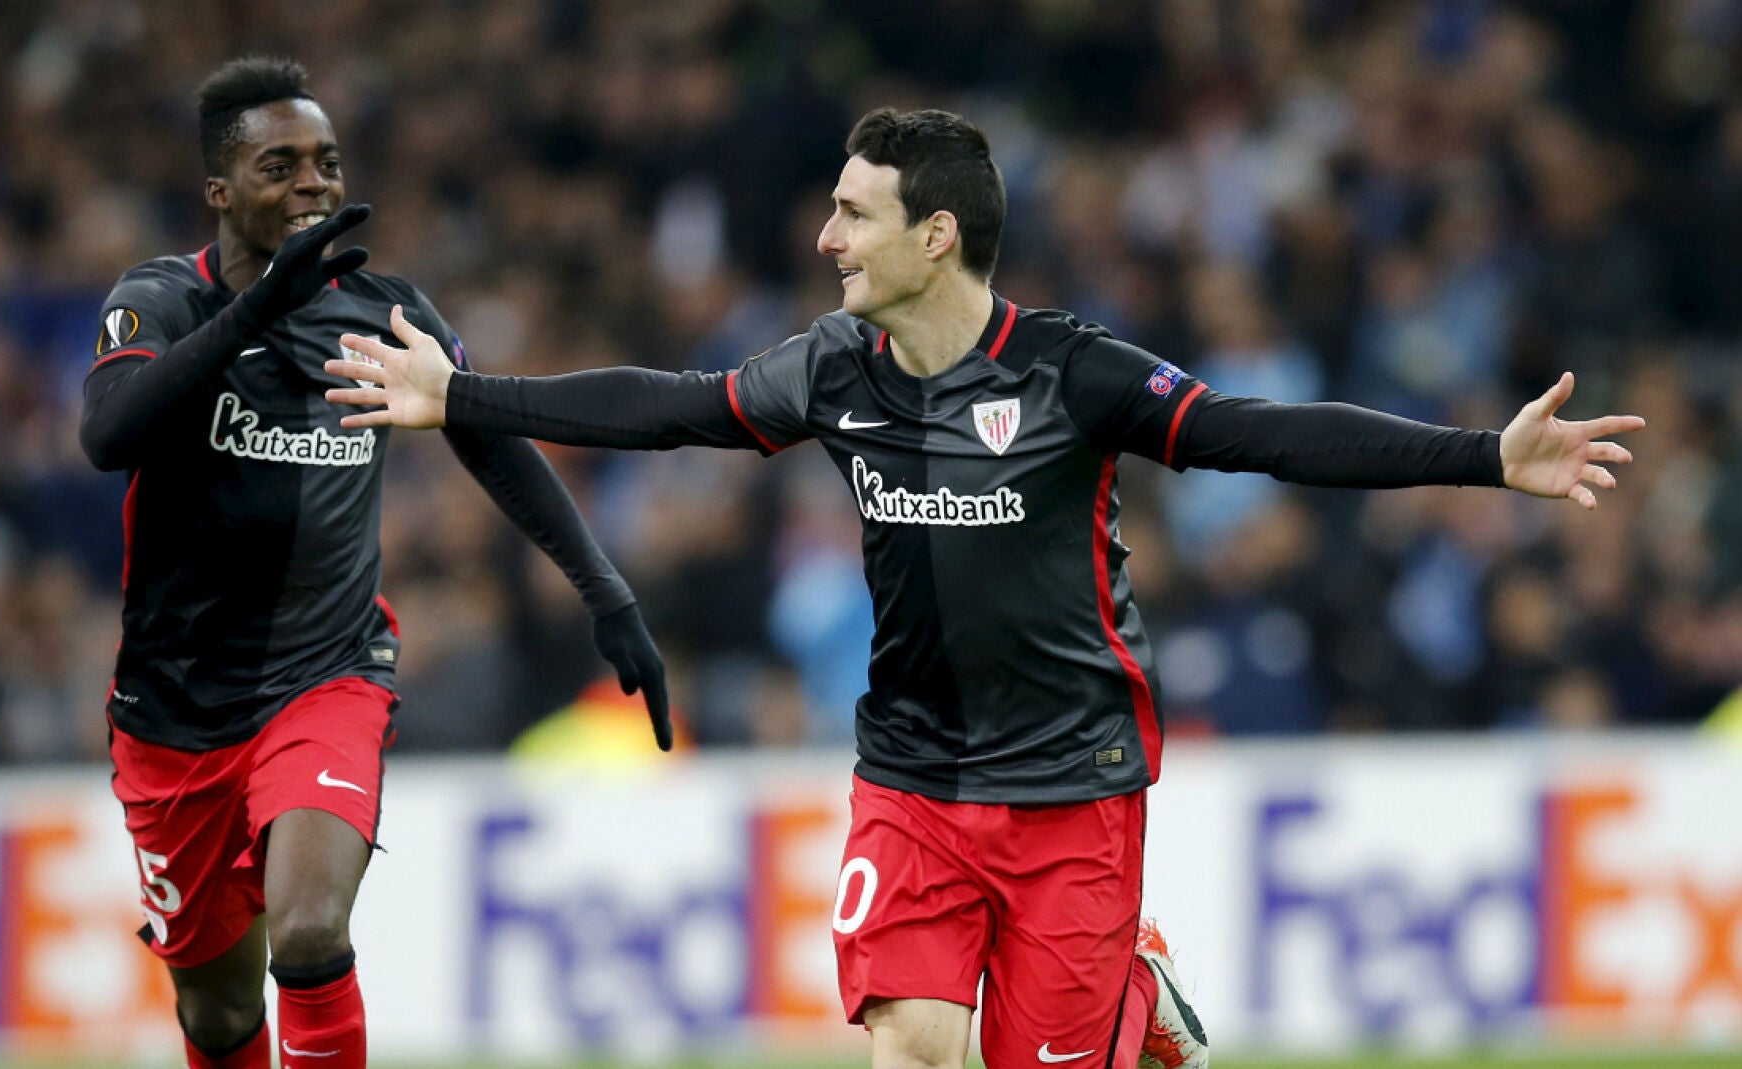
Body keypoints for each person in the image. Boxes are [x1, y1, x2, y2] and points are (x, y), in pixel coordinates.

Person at [323, 108, 1644, 1069]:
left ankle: (1129, 999)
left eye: (855, 212)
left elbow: (1266, 433)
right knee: (908, 1045)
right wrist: (463, 396)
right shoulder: (832, 367)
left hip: (1074, 785)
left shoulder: (1074, 374)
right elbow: (673, 408)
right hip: (911, 779)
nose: (827, 234)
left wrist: (1484, 457)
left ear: (936, 235)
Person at [79, 57, 671, 1069]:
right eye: (281, 166)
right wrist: (260, 310)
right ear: (220, 190)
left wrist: (605, 591)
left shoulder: (385, 314)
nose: (314, 184)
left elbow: (490, 438)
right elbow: (108, 435)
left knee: (309, 934)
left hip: (327, 673)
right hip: (174, 710)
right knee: (219, 1016)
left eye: (328, 162)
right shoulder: (159, 300)